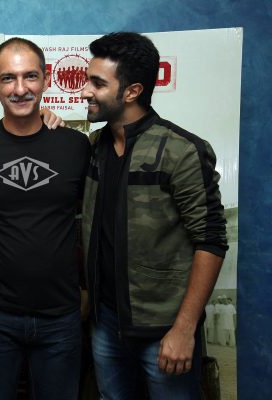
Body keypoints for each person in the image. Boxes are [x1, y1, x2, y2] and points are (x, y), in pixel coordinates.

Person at [80, 32, 228, 399]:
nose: (85, 91)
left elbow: (210, 241)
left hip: (165, 331)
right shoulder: (94, 147)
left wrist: (184, 329)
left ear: (132, 91)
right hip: (105, 324)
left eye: (98, 83)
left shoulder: (181, 150)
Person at [0, 38, 90, 400]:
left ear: (47, 79)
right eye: (8, 78)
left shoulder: (76, 146)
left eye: (30, 76)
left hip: (61, 316)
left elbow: (96, 221)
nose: (20, 89)